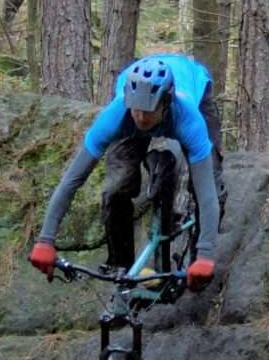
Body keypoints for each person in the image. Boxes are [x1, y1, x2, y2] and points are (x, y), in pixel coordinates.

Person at [28, 54, 223, 292]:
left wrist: (206, 256)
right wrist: (45, 240)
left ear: (166, 102)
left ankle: (197, 263)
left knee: (209, 178)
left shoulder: (188, 119)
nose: (141, 117)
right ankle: (122, 270)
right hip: (137, 97)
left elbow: (206, 194)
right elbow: (72, 181)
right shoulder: (117, 115)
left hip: (195, 84)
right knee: (116, 186)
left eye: (148, 111)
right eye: (136, 110)